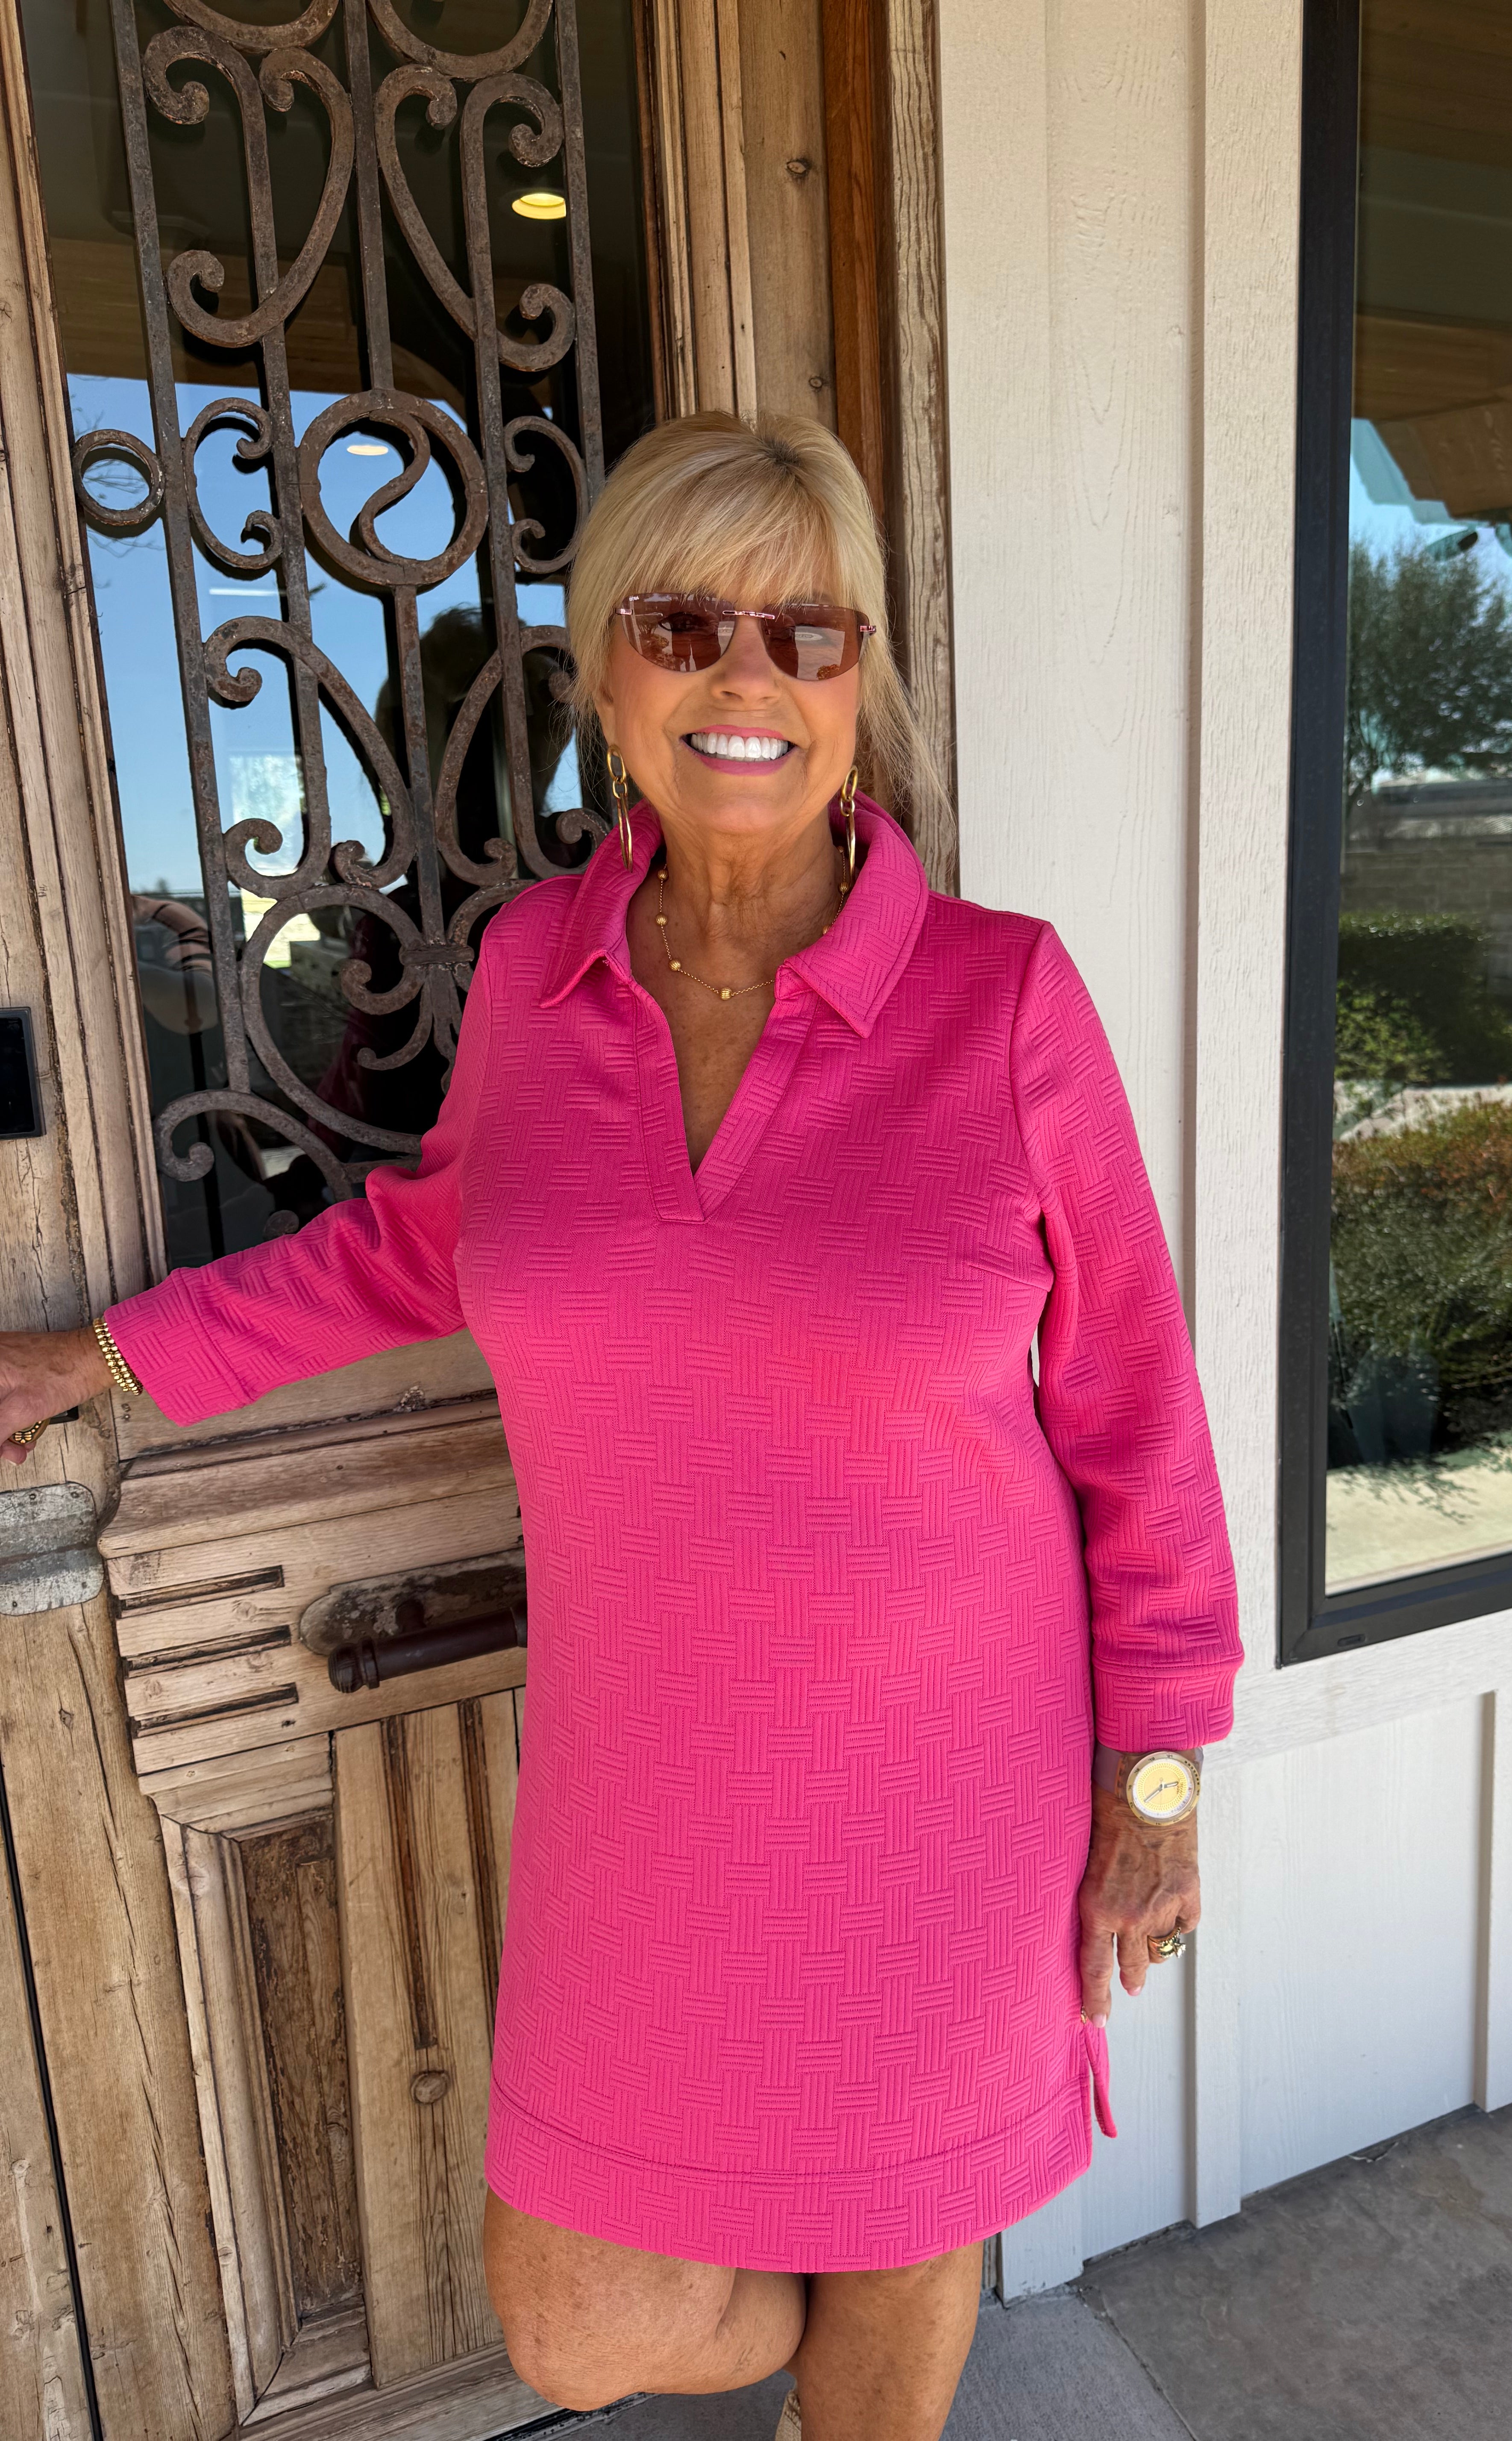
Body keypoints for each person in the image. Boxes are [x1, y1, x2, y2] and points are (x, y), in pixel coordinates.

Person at [1, 411, 1240, 2441]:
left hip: (952, 1770)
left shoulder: (1005, 999)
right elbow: (424, 1247)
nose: (748, 674)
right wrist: (109, 1358)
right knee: (580, 2317)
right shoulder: (532, 977)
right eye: (684, 624)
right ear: (605, 676)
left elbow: (1139, 1417)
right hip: (649, 1772)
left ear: (859, 685)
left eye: (805, 631)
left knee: (905, 2228)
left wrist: (1159, 1786)